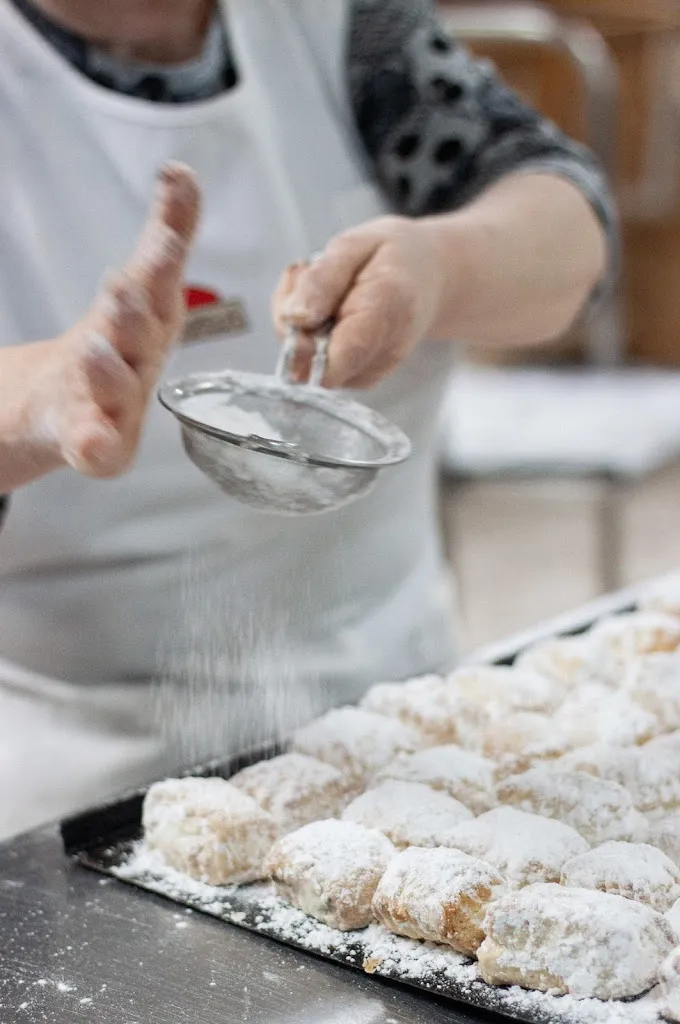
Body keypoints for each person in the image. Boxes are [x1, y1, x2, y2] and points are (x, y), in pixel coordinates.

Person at [0, 0, 615, 837]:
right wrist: (38, 401)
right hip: (90, 777)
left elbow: (571, 233)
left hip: (403, 722)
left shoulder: (337, 23)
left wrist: (440, 267)